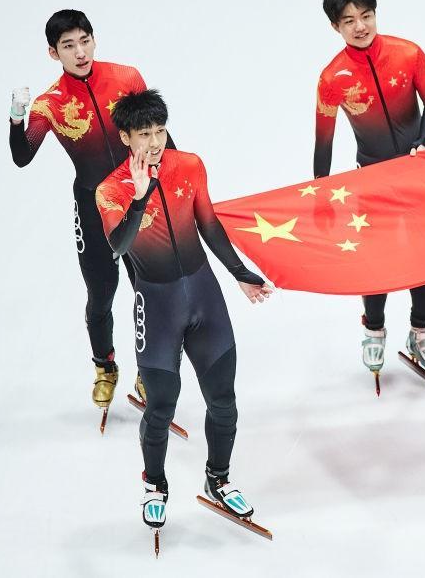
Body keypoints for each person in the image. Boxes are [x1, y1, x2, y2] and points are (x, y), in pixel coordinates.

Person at [95, 89, 272, 528]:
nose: (155, 142)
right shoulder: (111, 190)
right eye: (144, 134)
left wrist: (240, 273)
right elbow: (118, 245)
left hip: (204, 296)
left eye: (160, 130)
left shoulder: (189, 165)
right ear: (125, 137)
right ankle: (155, 484)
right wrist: (139, 197)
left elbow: (208, 223)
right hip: (158, 307)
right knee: (161, 407)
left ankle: (218, 478)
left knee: (224, 401)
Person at [8, 9, 173, 410]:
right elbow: (22, 155)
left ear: (94, 39)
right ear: (54, 53)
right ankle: (105, 366)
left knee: (149, 288)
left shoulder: (126, 78)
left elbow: (161, 138)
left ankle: (149, 369)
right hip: (93, 207)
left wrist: (176, 187)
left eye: (85, 41)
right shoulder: (50, 104)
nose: (80, 52)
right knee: (101, 294)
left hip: (137, 197)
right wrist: (16, 117)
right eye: (68, 46)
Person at [314, 0, 425, 377]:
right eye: (348, 20)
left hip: (420, 171)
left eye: (366, 16)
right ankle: (373, 330)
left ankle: (420, 332)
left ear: (375, 14)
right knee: (375, 258)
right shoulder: (332, 78)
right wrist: (320, 192)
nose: (360, 26)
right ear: (335, 26)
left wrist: (423, 138)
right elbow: (324, 140)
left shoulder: (408, 53)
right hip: (371, 179)